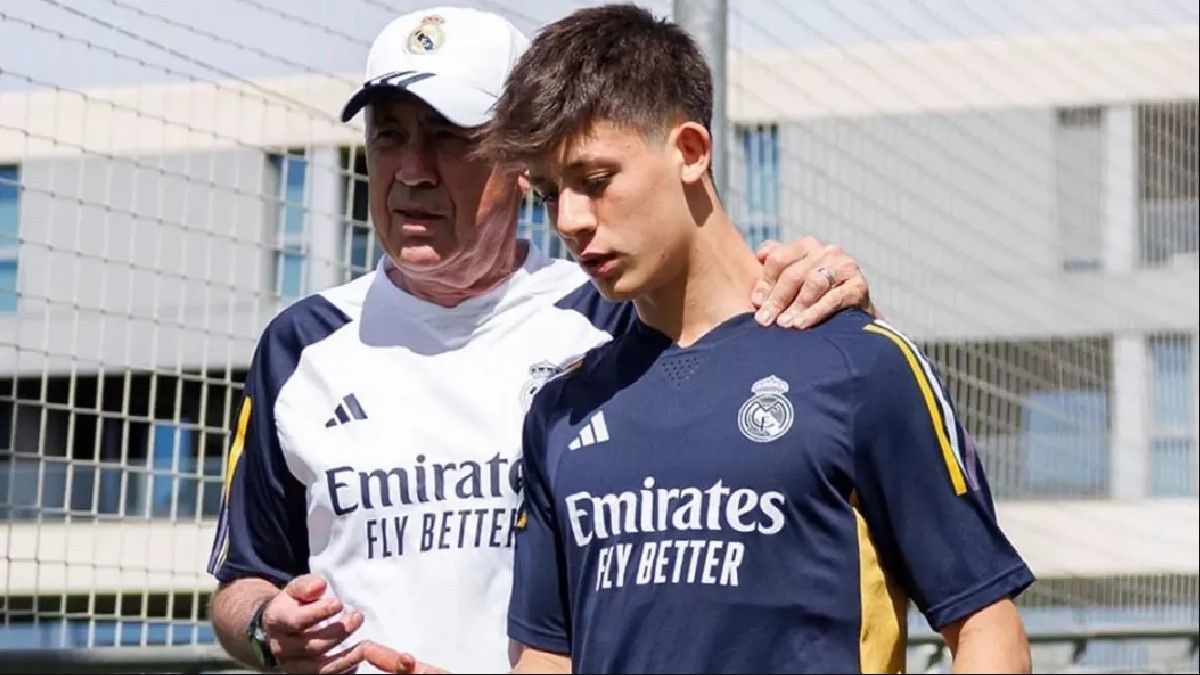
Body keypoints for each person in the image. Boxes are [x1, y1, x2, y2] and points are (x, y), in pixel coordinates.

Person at [204, 6, 879, 674]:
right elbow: (243, 580)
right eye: (389, 136)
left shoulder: (615, 313)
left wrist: (832, 289)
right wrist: (267, 627)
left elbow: (785, 373)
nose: (412, 170)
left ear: (524, 161)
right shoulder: (300, 345)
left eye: (447, 137)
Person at [481, 5, 1035, 674]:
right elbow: (545, 658)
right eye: (548, 193)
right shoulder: (562, 410)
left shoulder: (858, 365)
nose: (568, 220)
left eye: (594, 182)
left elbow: (988, 630)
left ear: (691, 152)